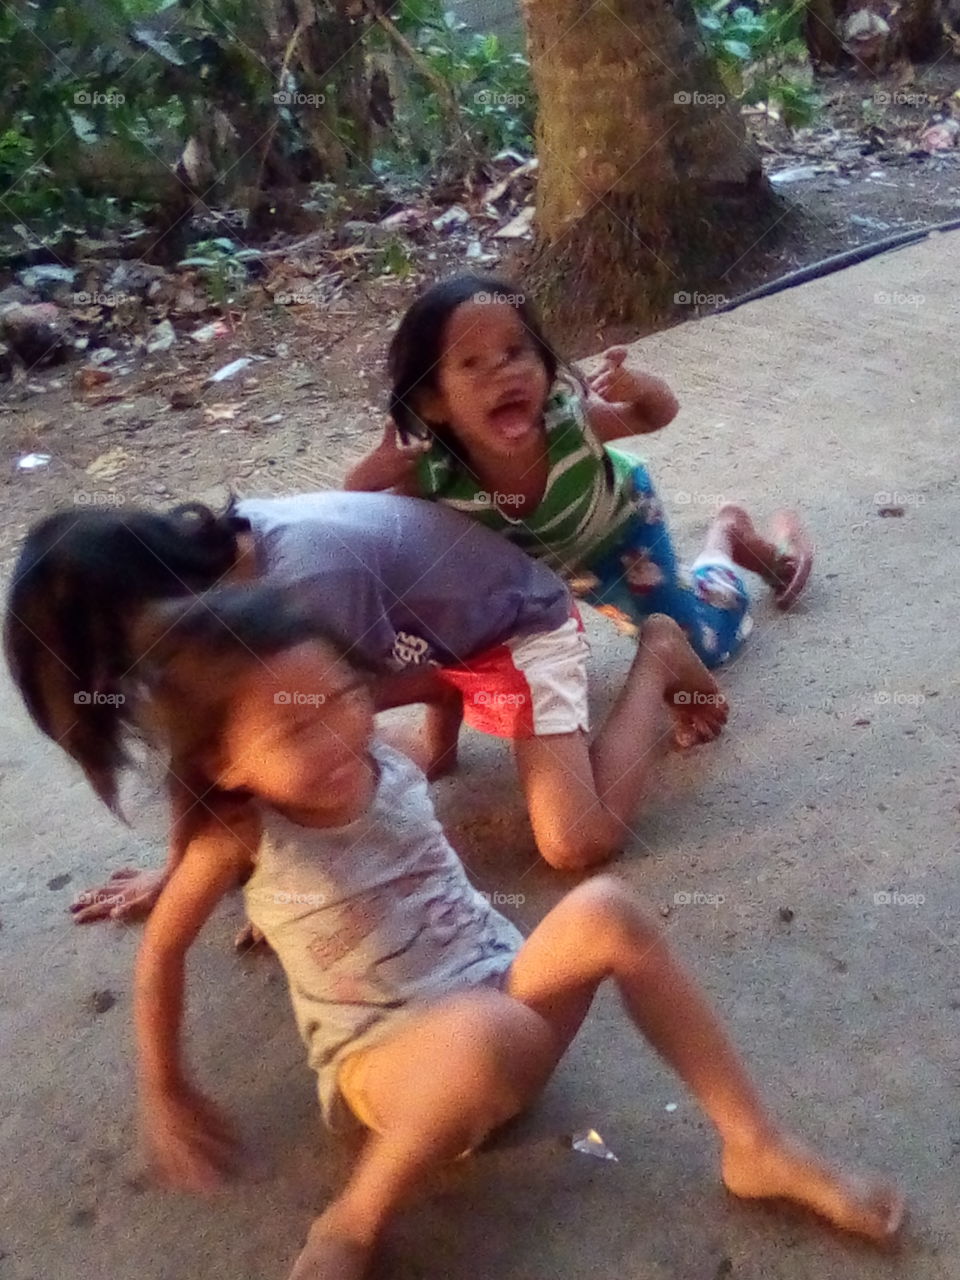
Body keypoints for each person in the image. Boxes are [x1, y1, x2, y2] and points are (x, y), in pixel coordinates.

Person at [127, 585, 900, 1280]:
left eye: (343, 697)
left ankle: (754, 1144)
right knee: (479, 1032)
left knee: (608, 908)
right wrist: (165, 1087)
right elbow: (162, 951)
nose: (337, 736)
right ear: (223, 765)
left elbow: (430, 727)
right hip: (392, 1068)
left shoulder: (386, 760)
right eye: (295, 732)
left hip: (508, 997)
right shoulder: (237, 840)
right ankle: (354, 1220)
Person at [4, 493, 727, 920]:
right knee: (284, 734)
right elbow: (205, 744)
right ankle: (445, 723)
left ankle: (658, 652)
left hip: (519, 629)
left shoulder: (306, 582)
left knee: (575, 841)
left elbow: (318, 750)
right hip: (432, 640)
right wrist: (178, 866)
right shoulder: (218, 579)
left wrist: (299, 875)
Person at [344, 273, 813, 667]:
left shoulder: (570, 426)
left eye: (515, 352)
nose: (505, 373)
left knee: (694, 644)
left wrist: (638, 386)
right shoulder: (434, 474)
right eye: (472, 363)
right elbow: (361, 523)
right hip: (551, 573)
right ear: (433, 403)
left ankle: (726, 540)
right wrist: (366, 474)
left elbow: (657, 414)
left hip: (624, 527)